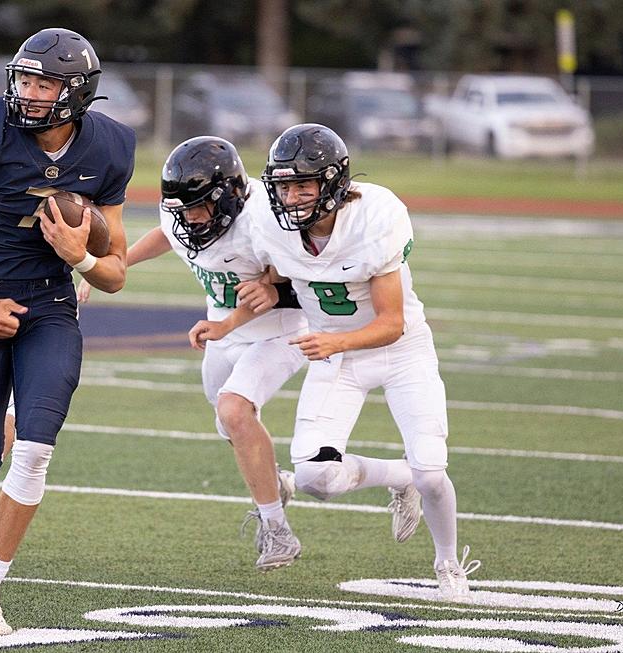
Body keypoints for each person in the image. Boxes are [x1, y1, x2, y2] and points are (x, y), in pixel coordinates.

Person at [189, 124, 478, 602]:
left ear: (334, 183)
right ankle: (398, 477)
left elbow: (392, 324)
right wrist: (228, 322)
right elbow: (276, 281)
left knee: (432, 470)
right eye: (284, 185)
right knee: (314, 478)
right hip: (336, 353)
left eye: (305, 184)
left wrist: (334, 344)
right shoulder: (271, 225)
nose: (293, 196)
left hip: (397, 352)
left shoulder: (374, 218)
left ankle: (448, 562)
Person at [0, 28, 135, 635]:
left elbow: (116, 271)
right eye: (25, 78)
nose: (30, 92)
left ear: (75, 92)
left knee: (36, 454)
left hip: (50, 305)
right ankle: (11, 413)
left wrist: (81, 255)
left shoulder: (110, 147)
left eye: (45, 82)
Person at [77, 136, 307, 571]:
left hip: (278, 331)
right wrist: (113, 262)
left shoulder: (266, 220)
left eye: (199, 208)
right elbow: (167, 234)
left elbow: (284, 289)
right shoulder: (184, 213)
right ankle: (273, 484)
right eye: (184, 209)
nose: (191, 219)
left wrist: (236, 316)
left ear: (230, 196)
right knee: (229, 423)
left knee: (236, 411)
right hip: (223, 327)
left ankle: (277, 529)